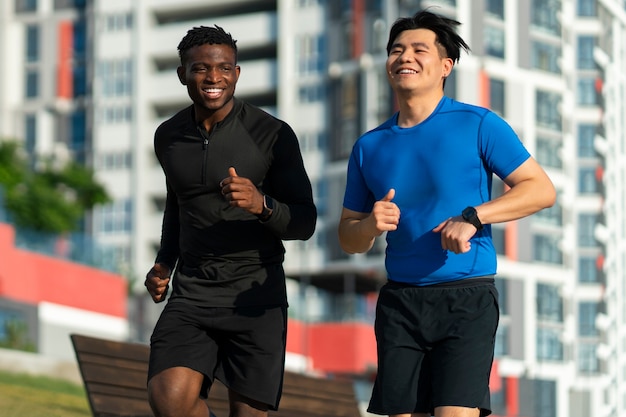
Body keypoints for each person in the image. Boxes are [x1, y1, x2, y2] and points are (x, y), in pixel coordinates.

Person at [338, 10, 556, 417]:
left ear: (445, 66)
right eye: (397, 50)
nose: (405, 57)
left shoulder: (478, 124)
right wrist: (369, 224)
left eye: (420, 49)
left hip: (466, 297)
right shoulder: (369, 146)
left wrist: (473, 217)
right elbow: (348, 237)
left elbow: (540, 190)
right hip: (400, 302)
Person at [144, 25, 317, 417]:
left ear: (236, 74)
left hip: (255, 296)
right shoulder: (167, 136)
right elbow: (178, 206)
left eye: (224, 68)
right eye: (200, 68)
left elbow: (305, 222)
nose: (213, 78)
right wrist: (164, 262)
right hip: (193, 293)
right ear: (182, 74)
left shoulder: (273, 134)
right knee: (168, 398)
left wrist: (262, 205)